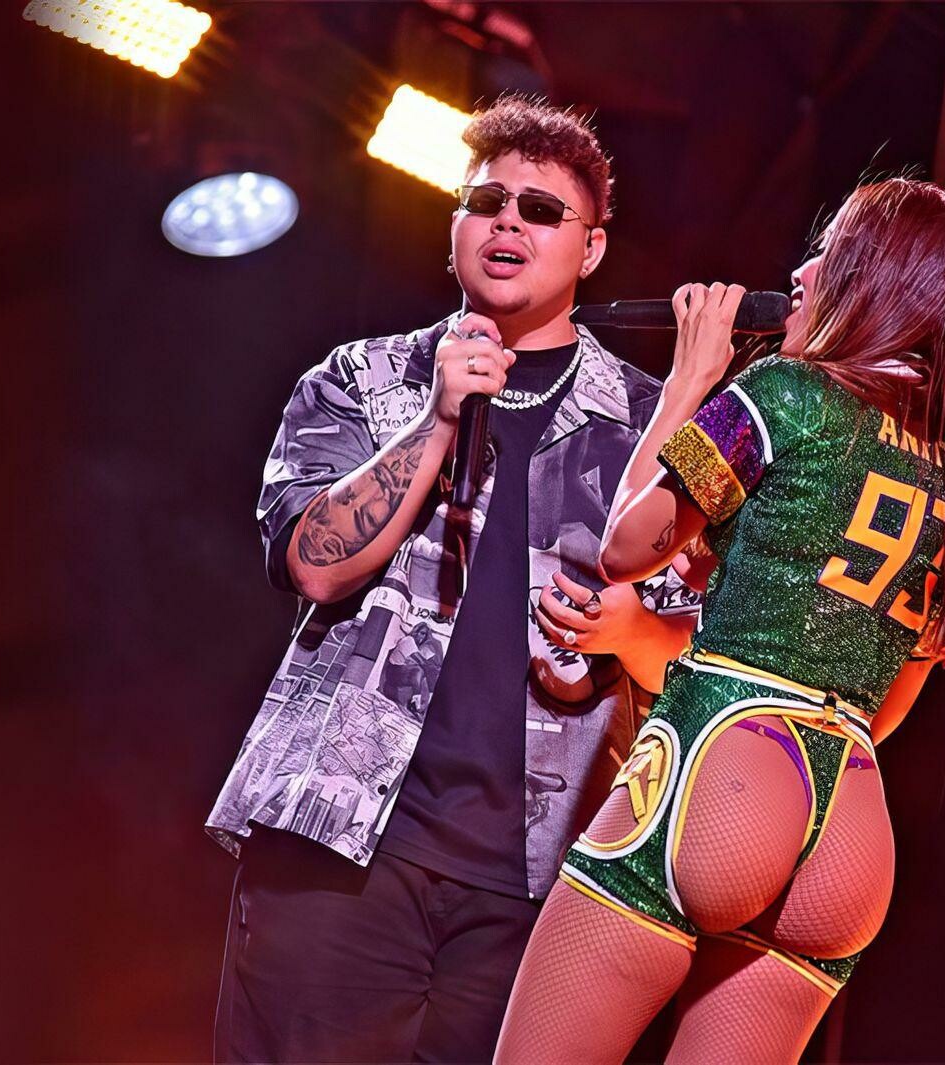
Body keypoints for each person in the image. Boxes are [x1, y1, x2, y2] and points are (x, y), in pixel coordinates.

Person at [206, 96, 705, 1063]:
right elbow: (311, 563)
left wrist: (621, 629)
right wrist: (435, 422)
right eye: (486, 202)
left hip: (539, 883)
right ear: (455, 229)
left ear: (592, 249)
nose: (508, 221)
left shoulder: (650, 428)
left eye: (541, 210)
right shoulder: (363, 379)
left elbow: (694, 656)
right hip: (342, 842)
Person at [496, 177, 945, 1063]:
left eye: (829, 251)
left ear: (874, 278)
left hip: (724, 770)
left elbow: (625, 547)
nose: (801, 273)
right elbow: (888, 706)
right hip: (850, 827)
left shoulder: (786, 394)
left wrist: (692, 376)